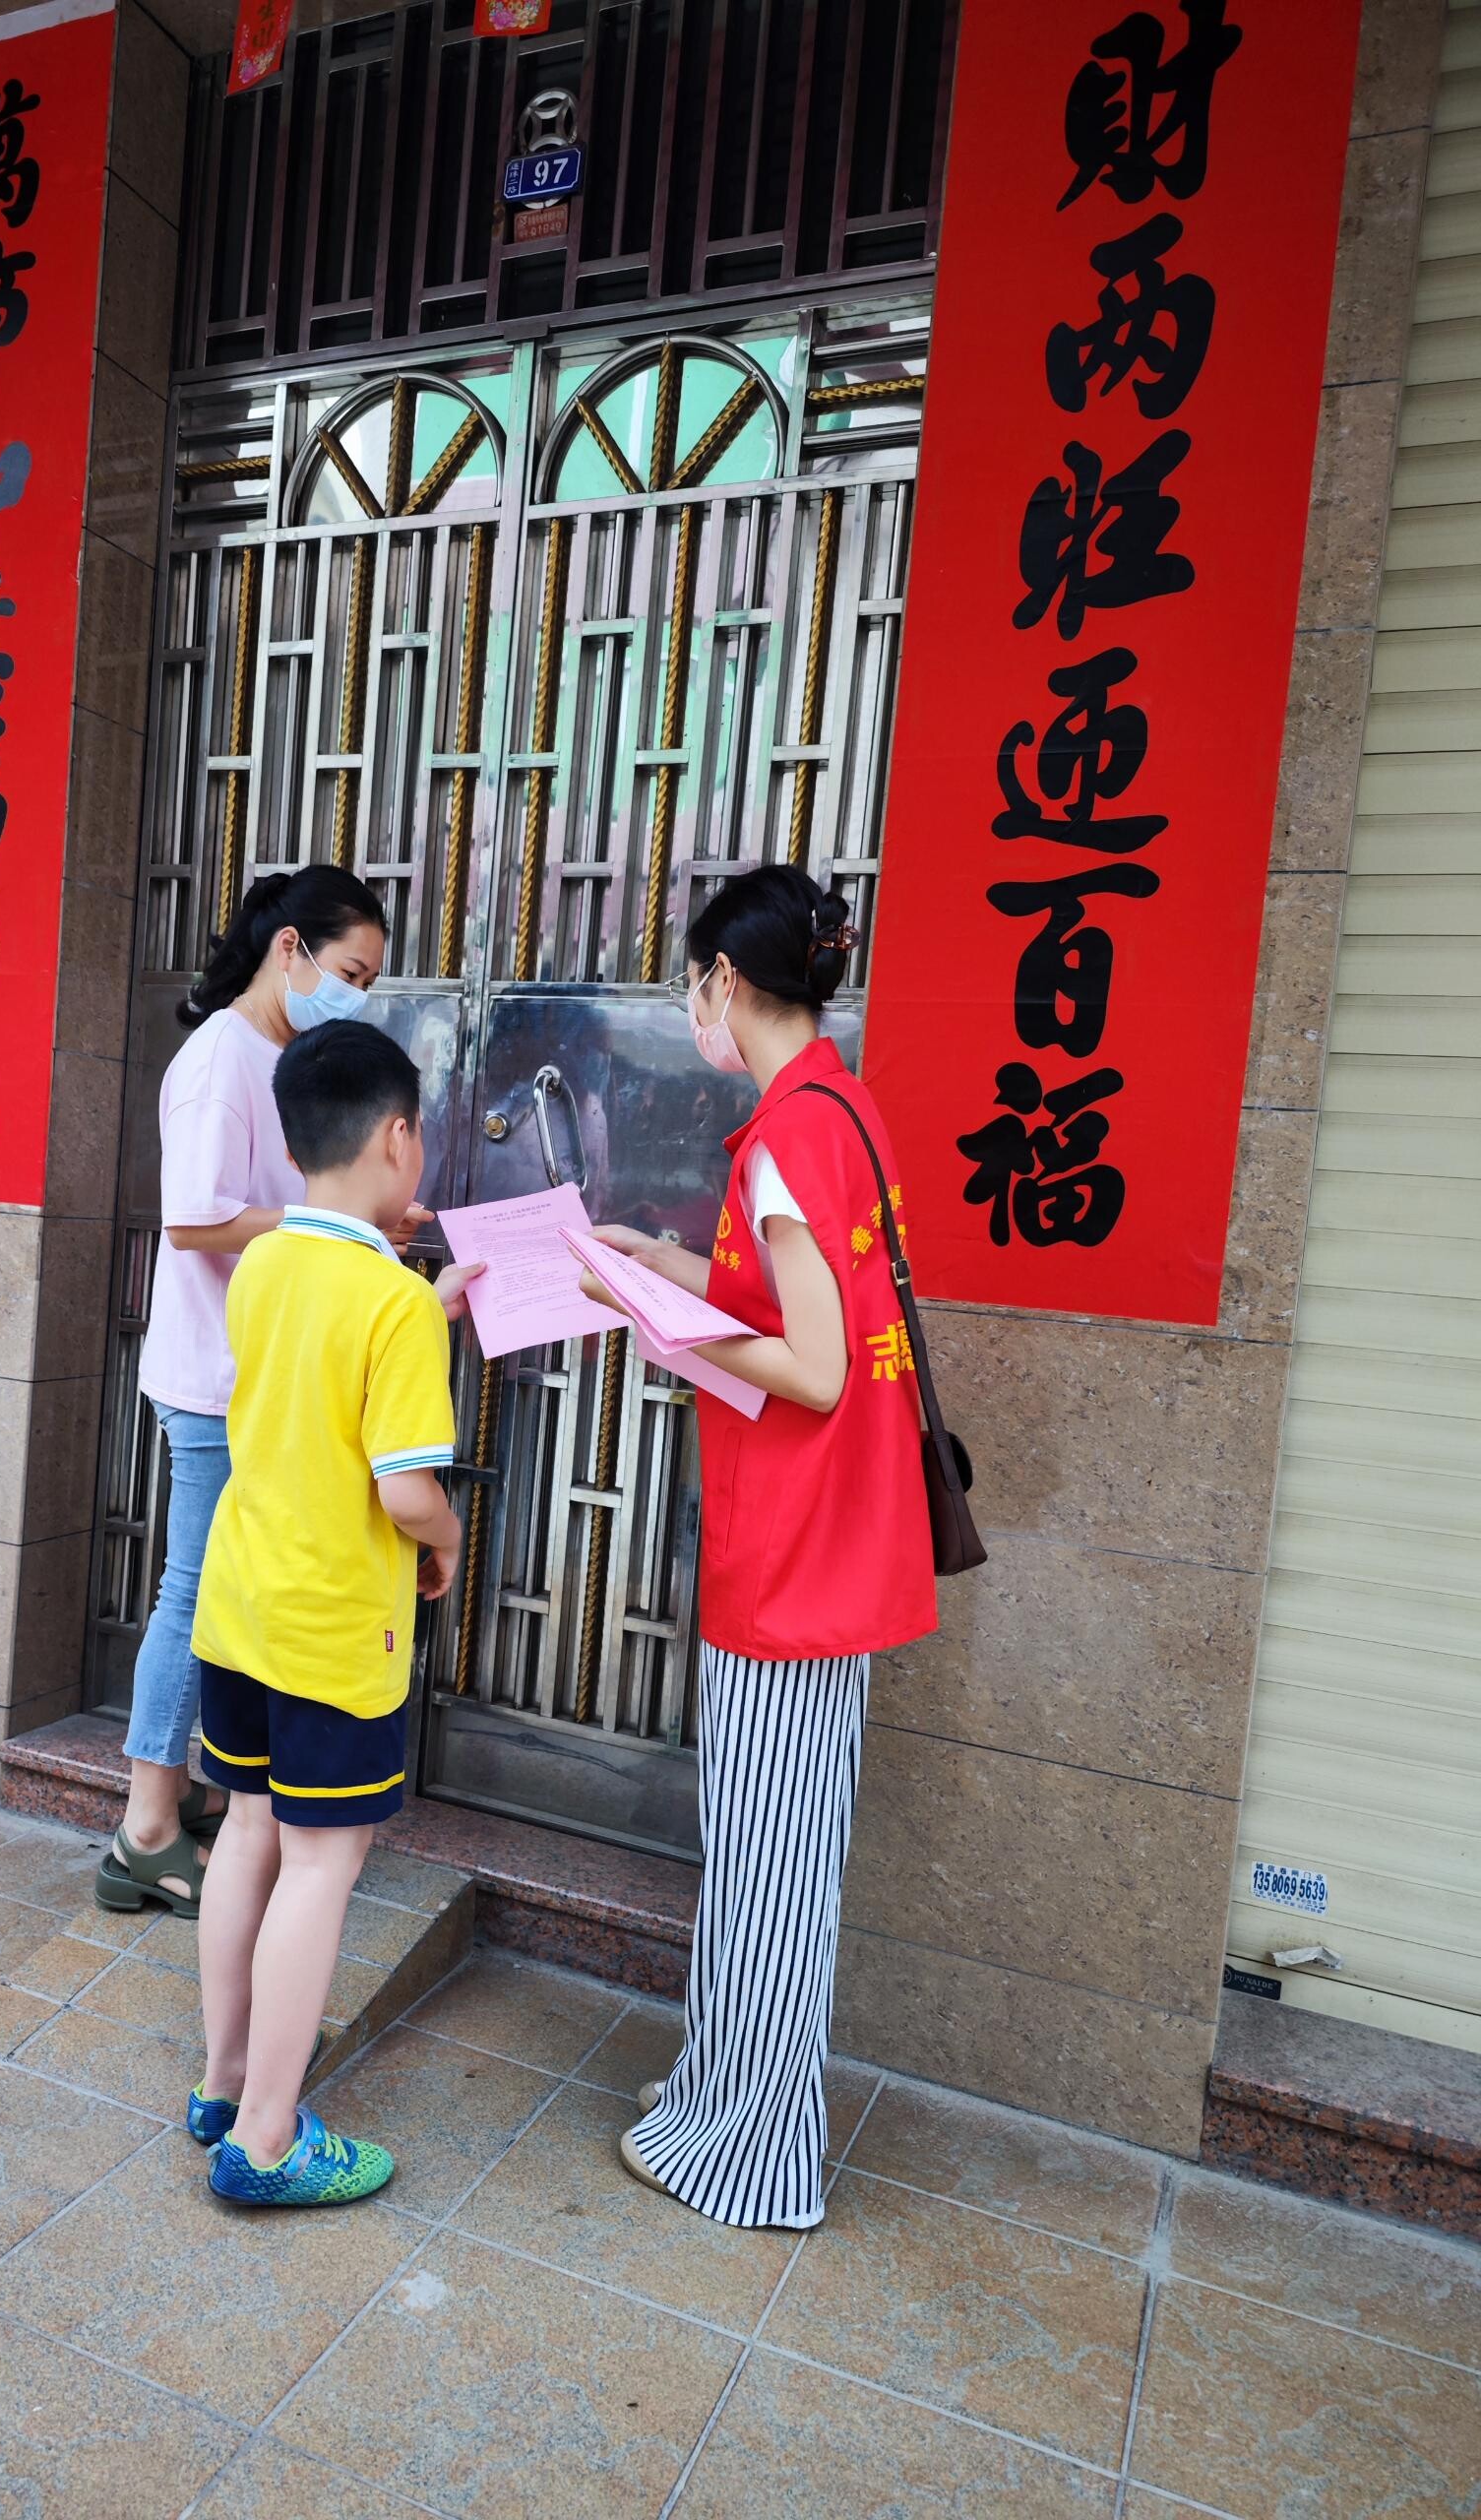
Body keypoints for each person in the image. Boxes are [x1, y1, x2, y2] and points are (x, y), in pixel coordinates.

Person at [582, 863, 937, 2230]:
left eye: (694, 983)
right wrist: (649, 1259)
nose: (694, 1009)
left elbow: (814, 1368)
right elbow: (784, 1306)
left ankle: (751, 2151)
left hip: (793, 1554)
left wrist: (665, 1323)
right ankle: (722, 2109)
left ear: (726, 979)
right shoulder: (838, 1110)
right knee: (775, 1856)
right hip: (829, 1545)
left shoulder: (789, 1138)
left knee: (768, 1872)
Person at [185, 1021, 477, 2206]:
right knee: (322, 1862)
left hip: (240, 1605)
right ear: (399, 1137)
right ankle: (266, 2140)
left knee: (247, 1830)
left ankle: (224, 2083)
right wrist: (447, 1537)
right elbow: (404, 1490)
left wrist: (422, 1303)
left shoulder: (263, 1264)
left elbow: (317, 1370)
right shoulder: (391, 1304)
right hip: (333, 1628)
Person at [96, 865, 412, 1921]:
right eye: (350, 973)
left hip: (260, 1378)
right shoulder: (221, 1060)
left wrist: (360, 1218)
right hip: (213, 1381)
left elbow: (280, 1211)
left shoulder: (276, 1057)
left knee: (219, 1594)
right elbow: (193, 1219)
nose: (356, 995)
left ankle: (179, 1799)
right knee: (193, 1593)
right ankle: (146, 1830)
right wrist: (333, 1222)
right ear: (290, 950)